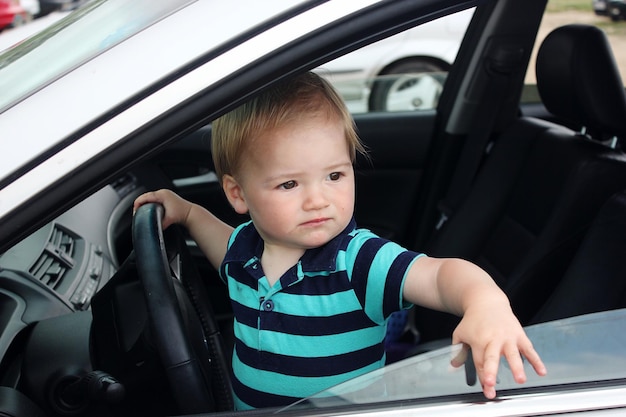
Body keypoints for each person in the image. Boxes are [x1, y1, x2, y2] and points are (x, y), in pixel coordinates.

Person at [133, 71, 546, 410]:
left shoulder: (360, 261)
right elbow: (218, 241)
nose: (318, 199)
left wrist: (485, 304)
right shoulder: (244, 250)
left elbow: (440, 275)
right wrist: (187, 213)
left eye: (335, 175)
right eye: (290, 183)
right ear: (237, 194)